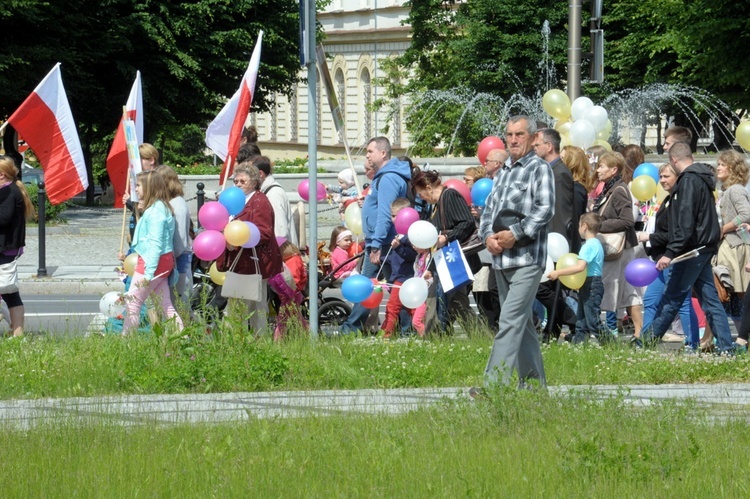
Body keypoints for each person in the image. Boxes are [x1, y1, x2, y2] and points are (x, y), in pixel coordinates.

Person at [477, 115, 554, 390]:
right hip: (501, 259)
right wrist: (487, 236)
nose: (513, 140)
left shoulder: (539, 169)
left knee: (509, 320)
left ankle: (492, 386)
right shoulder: (504, 171)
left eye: (519, 134)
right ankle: (534, 388)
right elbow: (488, 211)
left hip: (527, 258)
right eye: (509, 134)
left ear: (533, 138)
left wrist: (515, 234)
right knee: (523, 325)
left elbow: (545, 209)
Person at [640, 142, 735, 353]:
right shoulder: (701, 178)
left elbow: (685, 221)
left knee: (672, 298)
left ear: (674, 160)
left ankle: (645, 343)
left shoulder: (689, 181)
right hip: (703, 247)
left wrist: (670, 252)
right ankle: (727, 348)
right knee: (710, 300)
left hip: (691, 250)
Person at [340, 137, 410, 334]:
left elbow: (386, 214)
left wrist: (376, 244)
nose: (367, 155)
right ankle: (405, 329)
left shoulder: (388, 178)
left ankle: (352, 328)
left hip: (383, 242)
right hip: (380, 241)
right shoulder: (384, 176)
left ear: (383, 153)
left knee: (371, 286)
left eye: (370, 151)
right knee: (392, 287)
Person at [216, 164, 283, 334]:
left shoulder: (259, 201)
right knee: (255, 307)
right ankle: (258, 342)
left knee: (240, 308)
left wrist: (238, 239)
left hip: (254, 264)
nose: (238, 184)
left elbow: (264, 232)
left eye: (242, 181)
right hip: (243, 263)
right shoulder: (237, 200)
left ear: (254, 182)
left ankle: (234, 343)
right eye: (236, 181)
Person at [638, 163, 699, 350]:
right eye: (661, 177)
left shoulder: (680, 200)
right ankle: (645, 340)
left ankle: (692, 343)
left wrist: (650, 236)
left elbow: (676, 234)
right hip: (662, 259)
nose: (662, 180)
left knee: (682, 303)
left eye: (666, 176)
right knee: (650, 300)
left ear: (678, 177)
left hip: (674, 258)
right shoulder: (668, 199)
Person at [413, 169, 480, 332]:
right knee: (458, 305)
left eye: (420, 192)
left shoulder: (449, 196)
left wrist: (446, 238)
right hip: (445, 262)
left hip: (454, 261)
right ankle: (481, 337)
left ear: (428, 187)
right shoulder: (436, 205)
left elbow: (467, 222)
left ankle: (435, 337)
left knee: (438, 302)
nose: (420, 197)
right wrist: (430, 268)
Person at [122, 171, 183, 336]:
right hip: (161, 261)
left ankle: (125, 341)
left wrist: (149, 273)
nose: (135, 189)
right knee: (165, 304)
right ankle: (182, 338)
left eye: (138, 185)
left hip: (151, 262)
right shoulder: (159, 207)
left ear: (149, 187)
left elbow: (156, 244)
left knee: (132, 302)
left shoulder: (155, 212)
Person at [593, 152, 644, 340]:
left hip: (622, 250)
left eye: (602, 166)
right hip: (620, 250)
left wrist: (598, 225)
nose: (598, 170)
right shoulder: (610, 188)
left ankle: (639, 333)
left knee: (628, 290)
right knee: (628, 291)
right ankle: (639, 333)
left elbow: (627, 220)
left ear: (614, 169)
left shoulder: (619, 190)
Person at [533, 128, 576, 341]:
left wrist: (555, 242)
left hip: (554, 239)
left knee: (543, 287)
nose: (534, 149)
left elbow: (561, 212)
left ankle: (571, 319)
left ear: (549, 146)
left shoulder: (558, 173)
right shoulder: (550, 170)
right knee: (548, 287)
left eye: (537, 145)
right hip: (547, 238)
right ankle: (552, 332)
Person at [548, 213, 606, 344]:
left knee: (592, 321)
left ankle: (611, 345)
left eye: (579, 226)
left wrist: (559, 272)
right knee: (582, 321)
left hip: (591, 284)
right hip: (590, 284)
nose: (578, 229)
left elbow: (580, 267)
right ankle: (579, 345)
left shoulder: (588, 246)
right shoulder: (596, 243)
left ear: (584, 226)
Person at [715, 149, 750, 327]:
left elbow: (746, 214)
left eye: (722, 164)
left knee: (737, 291)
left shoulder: (735, 190)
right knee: (732, 294)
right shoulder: (726, 190)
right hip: (728, 245)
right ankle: (741, 338)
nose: (718, 167)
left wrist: (723, 229)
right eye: (718, 164)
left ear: (733, 168)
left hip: (735, 246)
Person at [0, 157, 34, 337]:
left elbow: (3, 218)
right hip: (6, 248)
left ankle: (17, 332)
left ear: (1, 175)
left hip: (5, 248)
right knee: (8, 292)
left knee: (9, 291)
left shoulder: (9, 192)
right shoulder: (8, 190)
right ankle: (16, 331)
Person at [155, 165, 192, 306]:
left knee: (178, 303)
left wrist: (168, 258)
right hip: (172, 259)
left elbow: (180, 240)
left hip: (178, 260)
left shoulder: (178, 204)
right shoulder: (168, 202)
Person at [382, 198, 418, 338]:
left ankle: (388, 334)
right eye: (392, 215)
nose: (393, 219)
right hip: (398, 275)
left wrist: (398, 248)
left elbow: (411, 256)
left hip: (404, 278)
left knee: (394, 307)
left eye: (396, 215)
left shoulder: (410, 237)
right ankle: (414, 332)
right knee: (407, 308)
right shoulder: (399, 234)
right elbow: (397, 259)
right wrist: (384, 259)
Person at [252, 155, 298, 246]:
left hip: (281, 252)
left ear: (260, 174)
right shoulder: (269, 191)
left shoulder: (274, 194)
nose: (250, 179)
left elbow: (280, 230)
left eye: (252, 175)